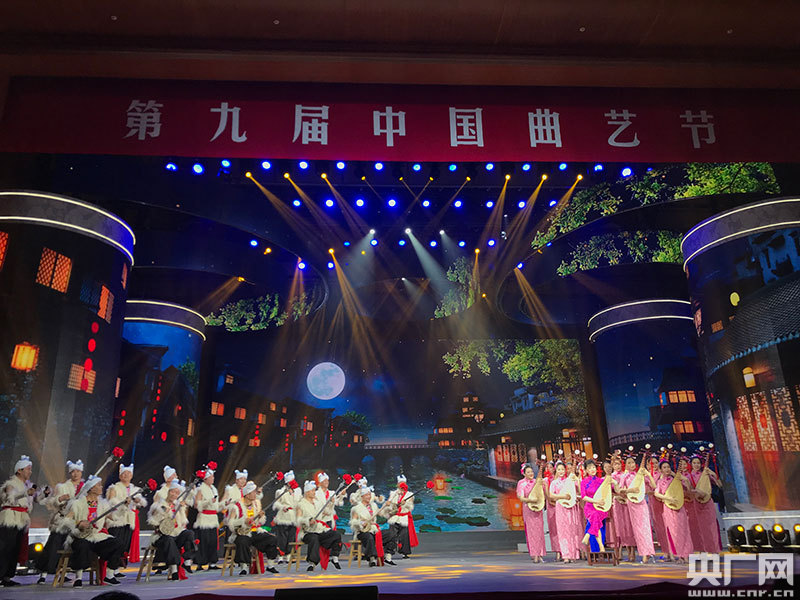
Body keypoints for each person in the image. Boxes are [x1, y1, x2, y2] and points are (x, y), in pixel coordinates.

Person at [62, 476, 125, 587]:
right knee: (81, 545)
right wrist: (78, 523)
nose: (101, 487)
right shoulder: (78, 503)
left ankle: (110, 575)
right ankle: (78, 578)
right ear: (91, 488)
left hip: (96, 536)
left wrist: (125, 506)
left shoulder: (103, 504)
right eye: (99, 485)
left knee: (117, 543)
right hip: (81, 536)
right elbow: (66, 520)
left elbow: (113, 517)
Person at [36, 459, 84, 584]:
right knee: (53, 546)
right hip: (62, 520)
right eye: (73, 471)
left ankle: (67, 572)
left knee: (72, 547)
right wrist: (61, 499)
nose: (75, 474)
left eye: (78, 471)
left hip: (76, 521)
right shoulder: (62, 487)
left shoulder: (84, 488)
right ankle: (43, 574)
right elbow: (53, 502)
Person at [0, 456, 39, 586]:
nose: (30, 472)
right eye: (28, 469)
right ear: (19, 470)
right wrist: (25, 493)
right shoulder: (11, 484)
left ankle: (7, 577)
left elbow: (36, 500)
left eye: (30, 469)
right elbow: (11, 496)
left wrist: (44, 493)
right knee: (6, 548)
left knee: (15, 548)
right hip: (10, 517)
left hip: (22, 519)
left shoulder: (27, 485)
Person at [226, 481, 279, 575]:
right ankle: (244, 567)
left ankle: (270, 565)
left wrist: (261, 516)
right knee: (242, 541)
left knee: (271, 539)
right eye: (253, 492)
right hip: (243, 532)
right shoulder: (236, 506)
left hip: (255, 531)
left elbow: (261, 522)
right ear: (247, 494)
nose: (255, 493)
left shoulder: (256, 504)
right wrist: (244, 521)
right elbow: (230, 523)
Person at [106, 464, 147, 575]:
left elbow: (142, 503)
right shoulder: (114, 488)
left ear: (132, 475)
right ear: (120, 475)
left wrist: (138, 501)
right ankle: (110, 571)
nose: (126, 475)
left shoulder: (135, 489)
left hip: (130, 520)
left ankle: (116, 569)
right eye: (124, 473)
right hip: (117, 520)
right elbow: (111, 502)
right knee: (116, 543)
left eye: (128, 473)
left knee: (124, 545)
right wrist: (123, 503)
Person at [147, 480, 191, 580]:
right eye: (172, 491)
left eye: (177, 493)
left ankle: (187, 560)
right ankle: (174, 569)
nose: (174, 494)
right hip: (162, 536)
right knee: (169, 539)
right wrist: (163, 512)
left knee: (189, 533)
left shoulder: (178, 506)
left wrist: (181, 509)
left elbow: (182, 523)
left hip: (175, 534)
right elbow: (153, 521)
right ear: (168, 492)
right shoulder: (158, 505)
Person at [649, 460, 692, 563]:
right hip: (668, 508)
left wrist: (685, 479)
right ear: (660, 470)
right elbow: (656, 493)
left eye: (668, 467)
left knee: (684, 531)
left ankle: (686, 555)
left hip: (679, 507)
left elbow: (688, 489)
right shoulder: (660, 482)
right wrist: (667, 498)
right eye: (664, 467)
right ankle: (679, 555)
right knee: (674, 532)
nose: (667, 469)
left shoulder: (675, 480)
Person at [295, 480, 342, 572]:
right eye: (312, 490)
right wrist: (308, 520)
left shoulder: (318, 503)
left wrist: (331, 503)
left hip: (320, 529)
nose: (314, 492)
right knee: (314, 538)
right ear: (307, 492)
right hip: (307, 532)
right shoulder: (301, 504)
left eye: (314, 490)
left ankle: (335, 557)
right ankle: (312, 563)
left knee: (336, 535)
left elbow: (327, 512)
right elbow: (298, 520)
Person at [618, 456, 655, 563]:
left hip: (642, 503)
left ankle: (649, 552)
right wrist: (630, 490)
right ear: (626, 465)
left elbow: (653, 486)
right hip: (632, 503)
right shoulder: (624, 476)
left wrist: (648, 474)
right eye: (629, 463)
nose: (631, 465)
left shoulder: (640, 475)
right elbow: (620, 491)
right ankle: (644, 553)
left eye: (633, 462)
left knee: (645, 527)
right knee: (638, 529)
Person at [349, 487, 396, 566]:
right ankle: (372, 558)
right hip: (363, 531)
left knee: (391, 534)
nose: (369, 497)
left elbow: (382, 514)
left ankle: (388, 556)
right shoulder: (356, 508)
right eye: (367, 495)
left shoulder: (374, 505)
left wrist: (387, 506)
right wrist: (361, 523)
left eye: (369, 495)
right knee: (369, 537)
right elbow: (352, 521)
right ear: (362, 496)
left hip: (374, 530)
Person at [687, 455, 722, 553]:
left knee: (711, 527)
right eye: (694, 463)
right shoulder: (688, 477)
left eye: (698, 463)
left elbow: (719, 485)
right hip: (696, 503)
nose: (696, 465)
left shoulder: (705, 475)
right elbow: (688, 491)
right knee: (699, 528)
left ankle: (714, 551)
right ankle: (702, 551)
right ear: (691, 464)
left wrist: (713, 474)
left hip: (708, 503)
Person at [548, 462, 580, 563]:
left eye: (562, 469)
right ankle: (565, 555)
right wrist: (562, 496)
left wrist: (577, 480)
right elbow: (551, 495)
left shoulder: (569, 481)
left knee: (571, 530)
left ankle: (573, 554)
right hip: (560, 507)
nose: (561, 471)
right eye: (559, 470)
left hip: (570, 507)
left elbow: (577, 491)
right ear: (556, 471)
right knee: (562, 530)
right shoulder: (554, 483)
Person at [515, 463, 546, 562]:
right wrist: (530, 500)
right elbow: (521, 497)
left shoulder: (536, 482)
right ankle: (534, 554)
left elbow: (541, 494)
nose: (531, 473)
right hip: (528, 509)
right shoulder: (521, 483)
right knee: (531, 532)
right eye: (528, 472)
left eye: (532, 471)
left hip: (538, 509)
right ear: (524, 474)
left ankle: (540, 553)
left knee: (539, 531)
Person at [579, 459, 611, 553]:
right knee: (594, 516)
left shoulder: (601, 481)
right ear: (586, 470)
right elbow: (583, 497)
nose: (592, 469)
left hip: (601, 507)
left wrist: (615, 483)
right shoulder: (584, 482)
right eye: (589, 468)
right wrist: (595, 501)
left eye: (593, 467)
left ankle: (588, 534)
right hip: (590, 506)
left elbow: (609, 491)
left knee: (595, 517)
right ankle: (600, 547)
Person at [192, 469, 220, 570]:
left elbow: (216, 505)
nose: (213, 478)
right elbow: (197, 505)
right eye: (211, 477)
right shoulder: (200, 489)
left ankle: (212, 563)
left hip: (213, 518)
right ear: (206, 478)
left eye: (213, 476)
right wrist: (208, 501)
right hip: (204, 518)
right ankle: (200, 563)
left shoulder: (214, 489)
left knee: (213, 541)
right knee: (204, 541)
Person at [271, 470, 300, 563]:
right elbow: (276, 504)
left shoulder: (298, 492)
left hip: (293, 517)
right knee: (282, 538)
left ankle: (288, 556)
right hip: (283, 516)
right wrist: (282, 507)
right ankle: (280, 556)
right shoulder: (281, 492)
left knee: (291, 537)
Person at [385, 475, 417, 559]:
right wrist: (389, 503)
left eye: (403, 483)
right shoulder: (393, 493)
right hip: (395, 516)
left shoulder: (410, 495)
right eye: (400, 483)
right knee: (391, 535)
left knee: (404, 535)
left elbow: (410, 507)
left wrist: (405, 504)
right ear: (397, 484)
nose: (402, 485)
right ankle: (389, 552)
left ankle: (405, 552)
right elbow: (389, 503)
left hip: (404, 517)